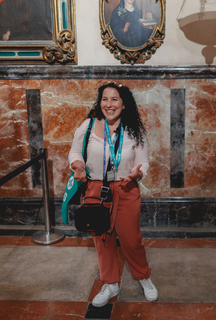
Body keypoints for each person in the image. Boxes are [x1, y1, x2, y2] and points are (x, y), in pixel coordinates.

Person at [68, 82, 158, 307]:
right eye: (105, 99)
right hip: (95, 189)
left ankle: (143, 276)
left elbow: (143, 161)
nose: (109, 104)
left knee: (131, 239)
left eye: (115, 99)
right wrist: (78, 166)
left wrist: (138, 173)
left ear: (124, 104)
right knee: (102, 239)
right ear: (100, 103)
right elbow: (75, 151)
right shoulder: (88, 126)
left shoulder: (135, 130)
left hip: (126, 188)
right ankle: (110, 283)